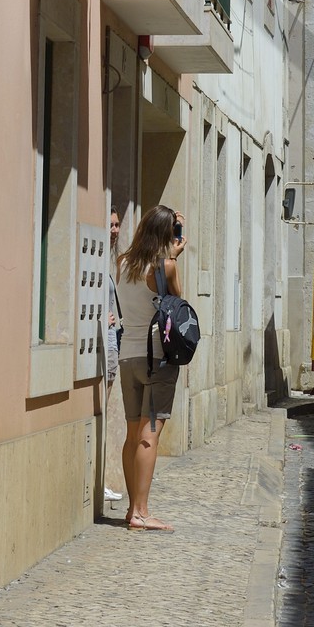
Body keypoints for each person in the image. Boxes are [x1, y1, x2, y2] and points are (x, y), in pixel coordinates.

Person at [116, 204, 187, 530]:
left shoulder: (122, 263)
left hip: (127, 356)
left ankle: (133, 509)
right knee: (149, 436)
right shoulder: (165, 267)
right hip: (156, 358)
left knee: (132, 436)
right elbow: (179, 306)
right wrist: (174, 255)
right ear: (166, 234)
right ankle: (141, 513)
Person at [104, 209, 124, 502]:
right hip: (106, 344)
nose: (115, 230)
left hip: (113, 343)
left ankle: (103, 482)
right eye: (111, 224)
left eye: (118, 224)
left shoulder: (111, 262)